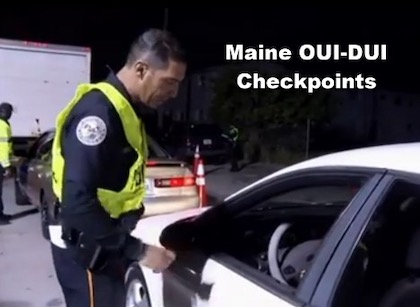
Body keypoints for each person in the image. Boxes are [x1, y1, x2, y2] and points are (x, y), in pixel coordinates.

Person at [50, 28, 187, 307]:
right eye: (169, 82)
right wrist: (139, 251)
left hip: (105, 244)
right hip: (87, 250)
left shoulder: (126, 109)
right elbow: (77, 202)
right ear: (141, 69)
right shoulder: (99, 114)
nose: (173, 93)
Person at [0, 102, 14, 225]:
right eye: (8, 112)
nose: (10, 115)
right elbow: (3, 148)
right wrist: (6, 166)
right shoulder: (2, 126)